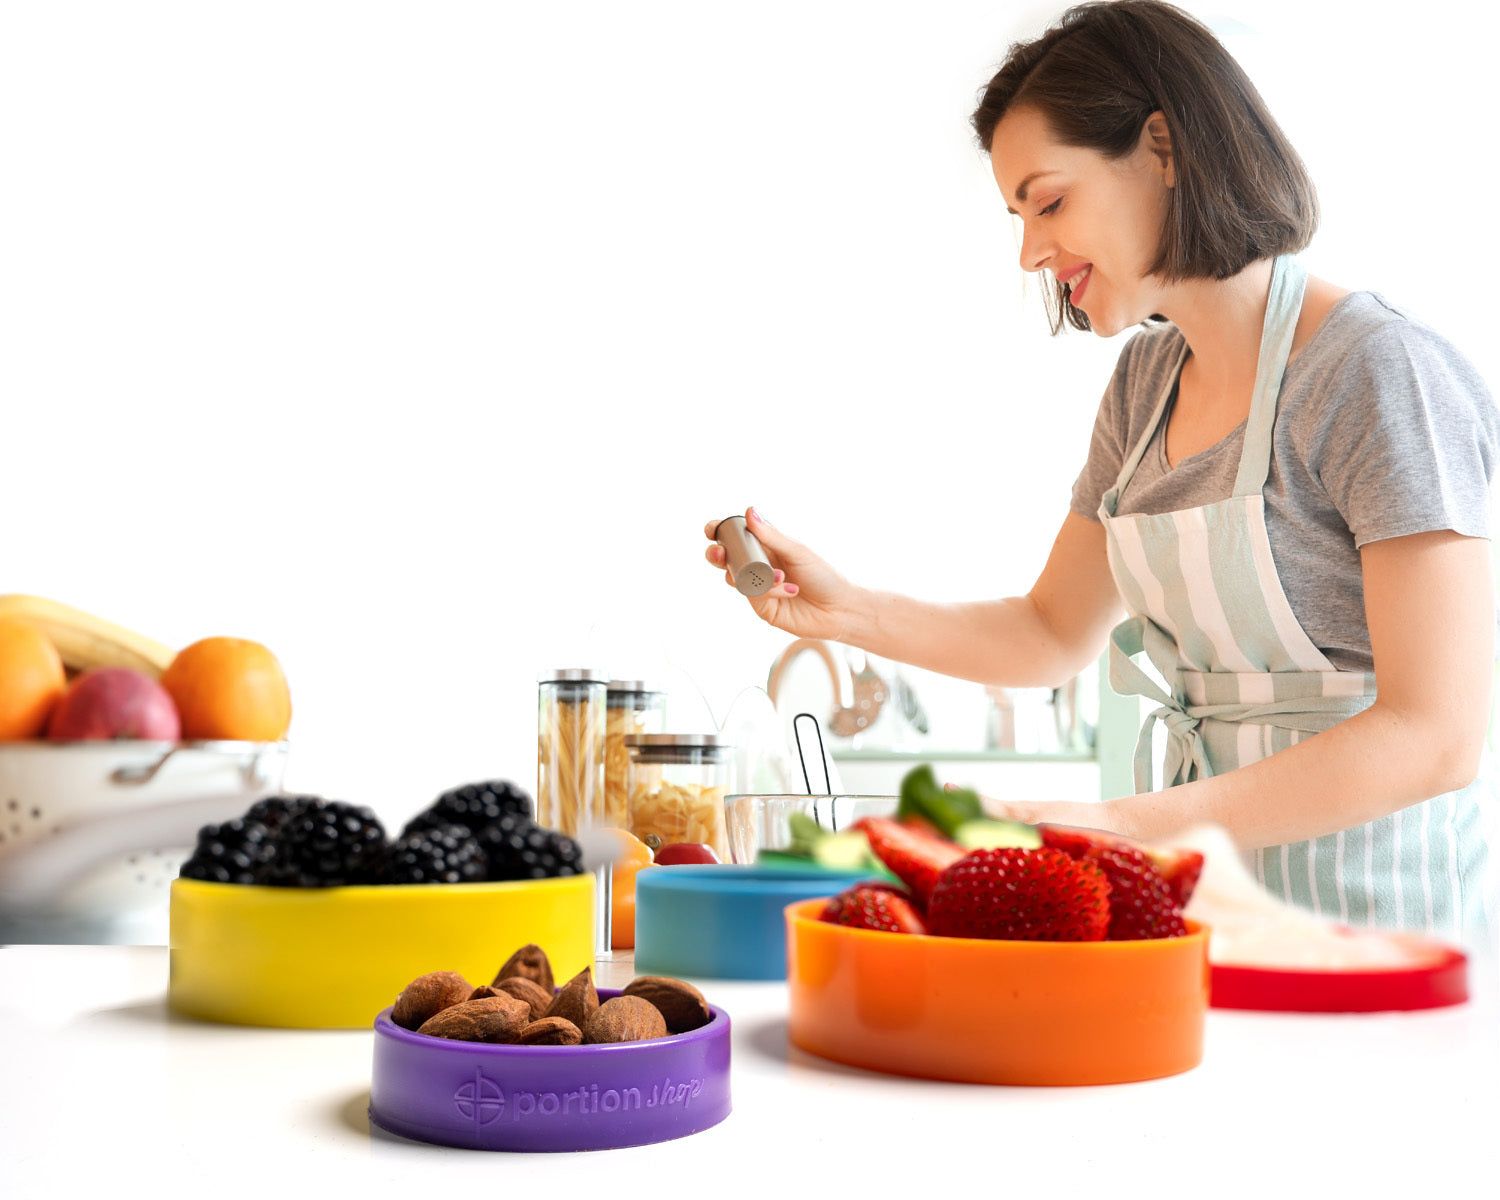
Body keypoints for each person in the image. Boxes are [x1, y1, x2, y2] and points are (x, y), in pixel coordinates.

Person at [703, 0, 1498, 945]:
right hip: (1207, 910)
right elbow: (1049, 632)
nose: (1033, 252)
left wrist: (1120, 825)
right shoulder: (1145, 387)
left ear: (1163, 148)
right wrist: (849, 612)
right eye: (1020, 217)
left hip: (1383, 929)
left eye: (1049, 201)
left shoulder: (1375, 370)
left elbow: (1436, 734)